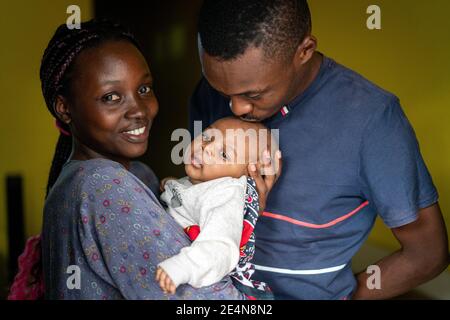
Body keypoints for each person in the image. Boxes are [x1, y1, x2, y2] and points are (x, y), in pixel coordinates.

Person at [189, 0, 449, 299]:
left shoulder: (373, 121)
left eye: (253, 94)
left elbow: (427, 253)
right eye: (223, 92)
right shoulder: (210, 92)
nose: (235, 107)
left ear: (304, 51)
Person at [10, 19, 248, 300]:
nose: (138, 110)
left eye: (144, 89)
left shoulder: (132, 174)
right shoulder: (104, 185)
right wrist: (246, 210)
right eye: (111, 97)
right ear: (64, 108)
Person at [156, 117, 276, 299]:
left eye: (224, 154)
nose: (207, 147)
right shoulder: (206, 182)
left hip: (196, 272)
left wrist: (183, 267)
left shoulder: (226, 195)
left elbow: (221, 248)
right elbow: (192, 196)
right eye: (207, 137)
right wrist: (172, 186)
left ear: (246, 175)